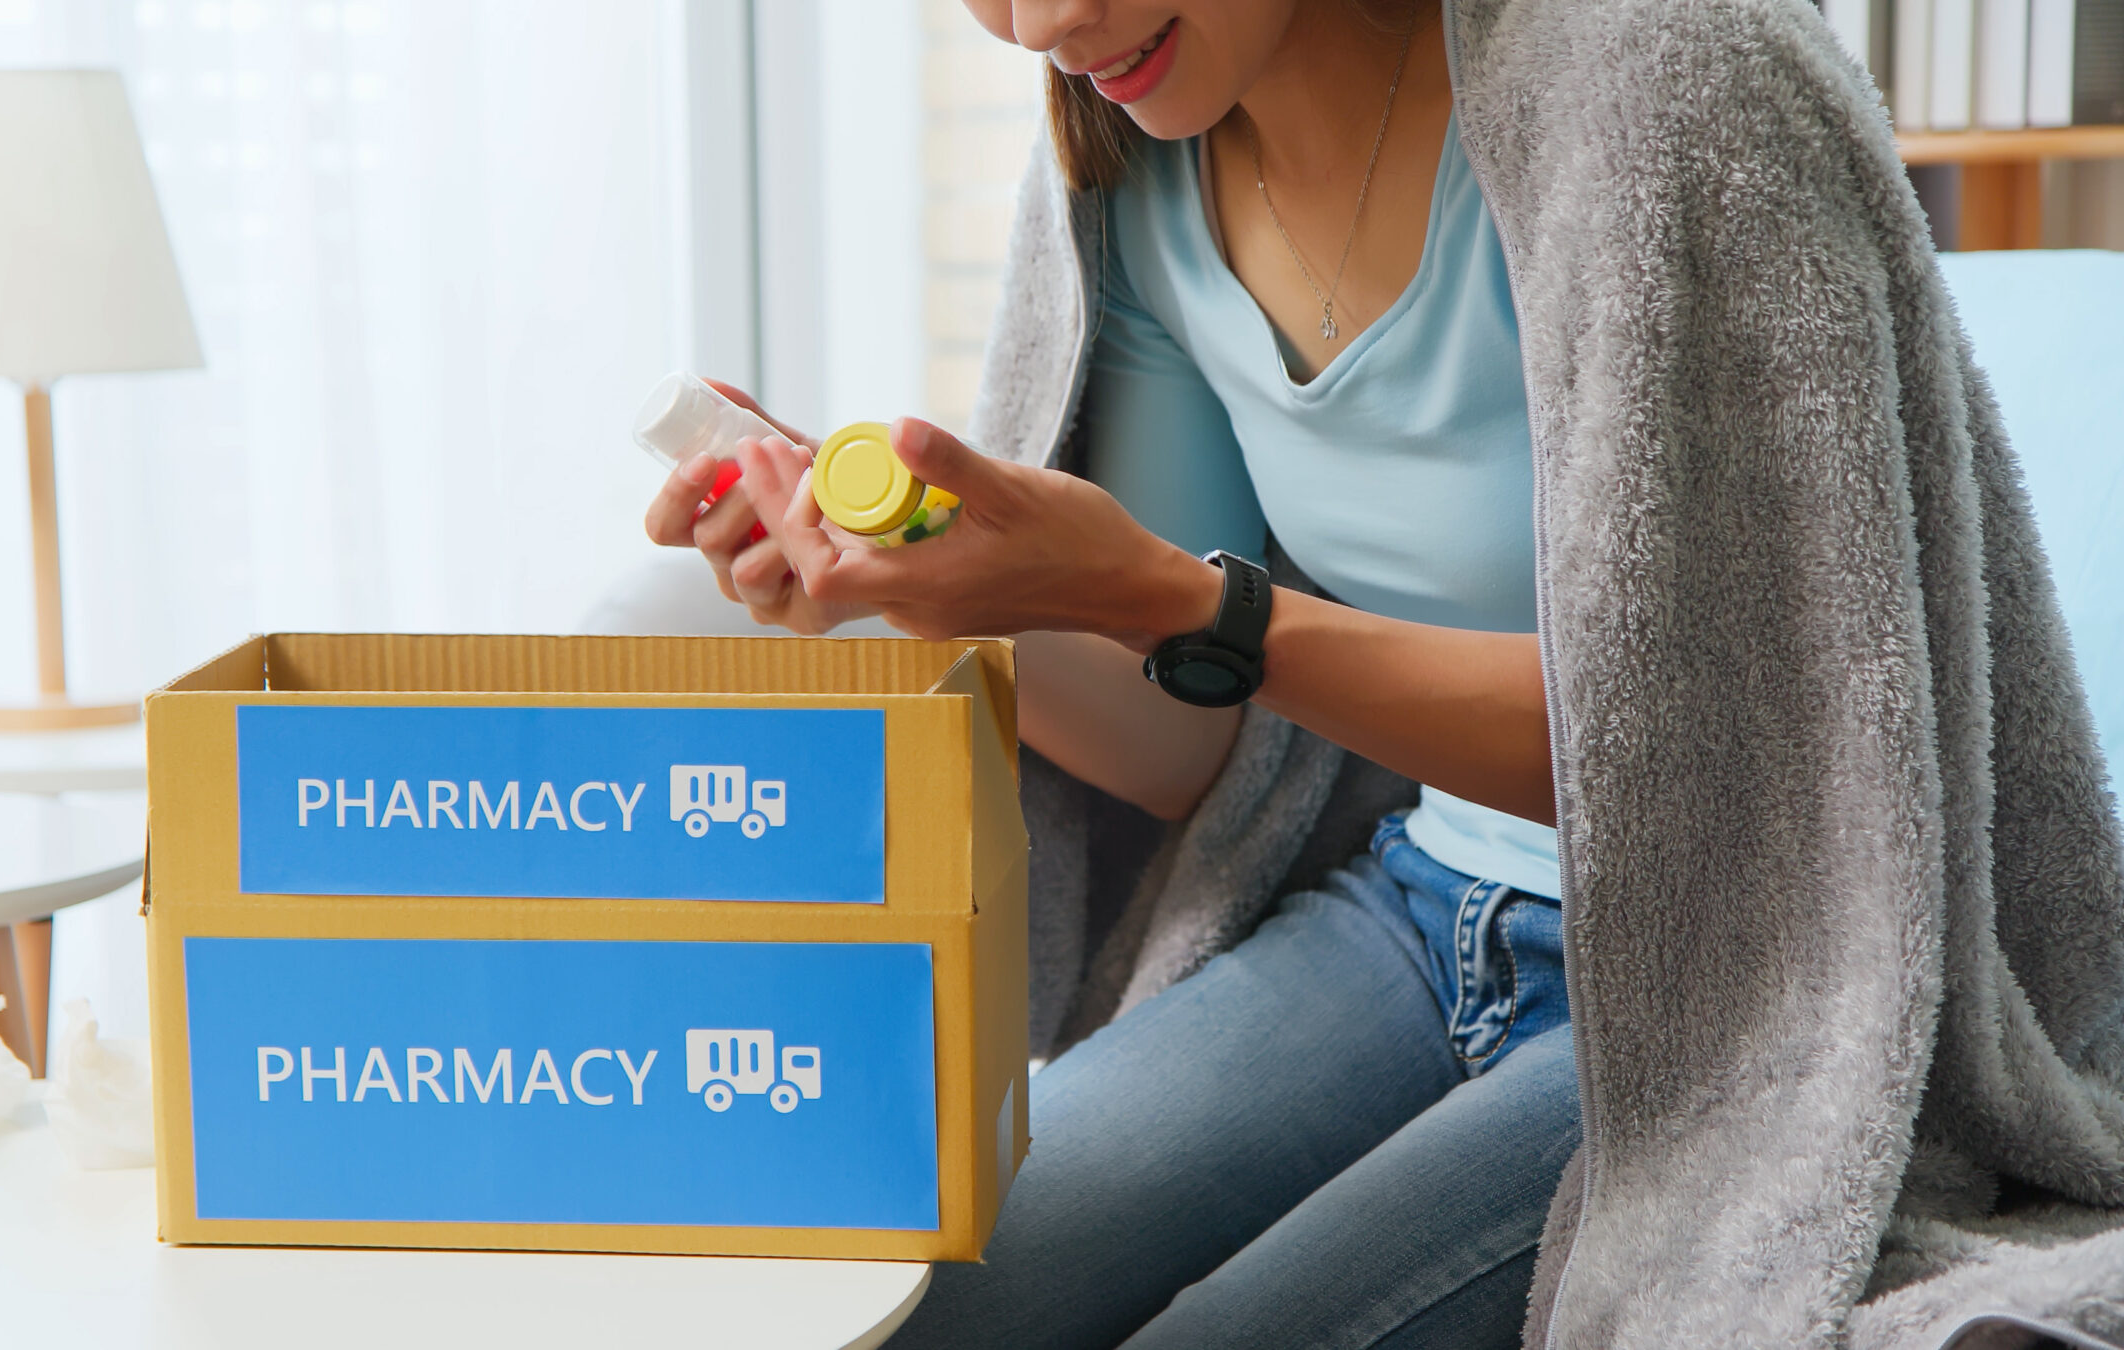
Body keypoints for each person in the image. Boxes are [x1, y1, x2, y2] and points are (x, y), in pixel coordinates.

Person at [645, 3, 1575, 1345]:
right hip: (1429, 903)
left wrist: (1171, 597)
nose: (1043, 22)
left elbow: (1718, 747)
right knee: (886, 1303)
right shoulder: (1138, 173)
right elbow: (1179, 745)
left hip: (1718, 967)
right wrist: (922, 582)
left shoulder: (1641, 107)